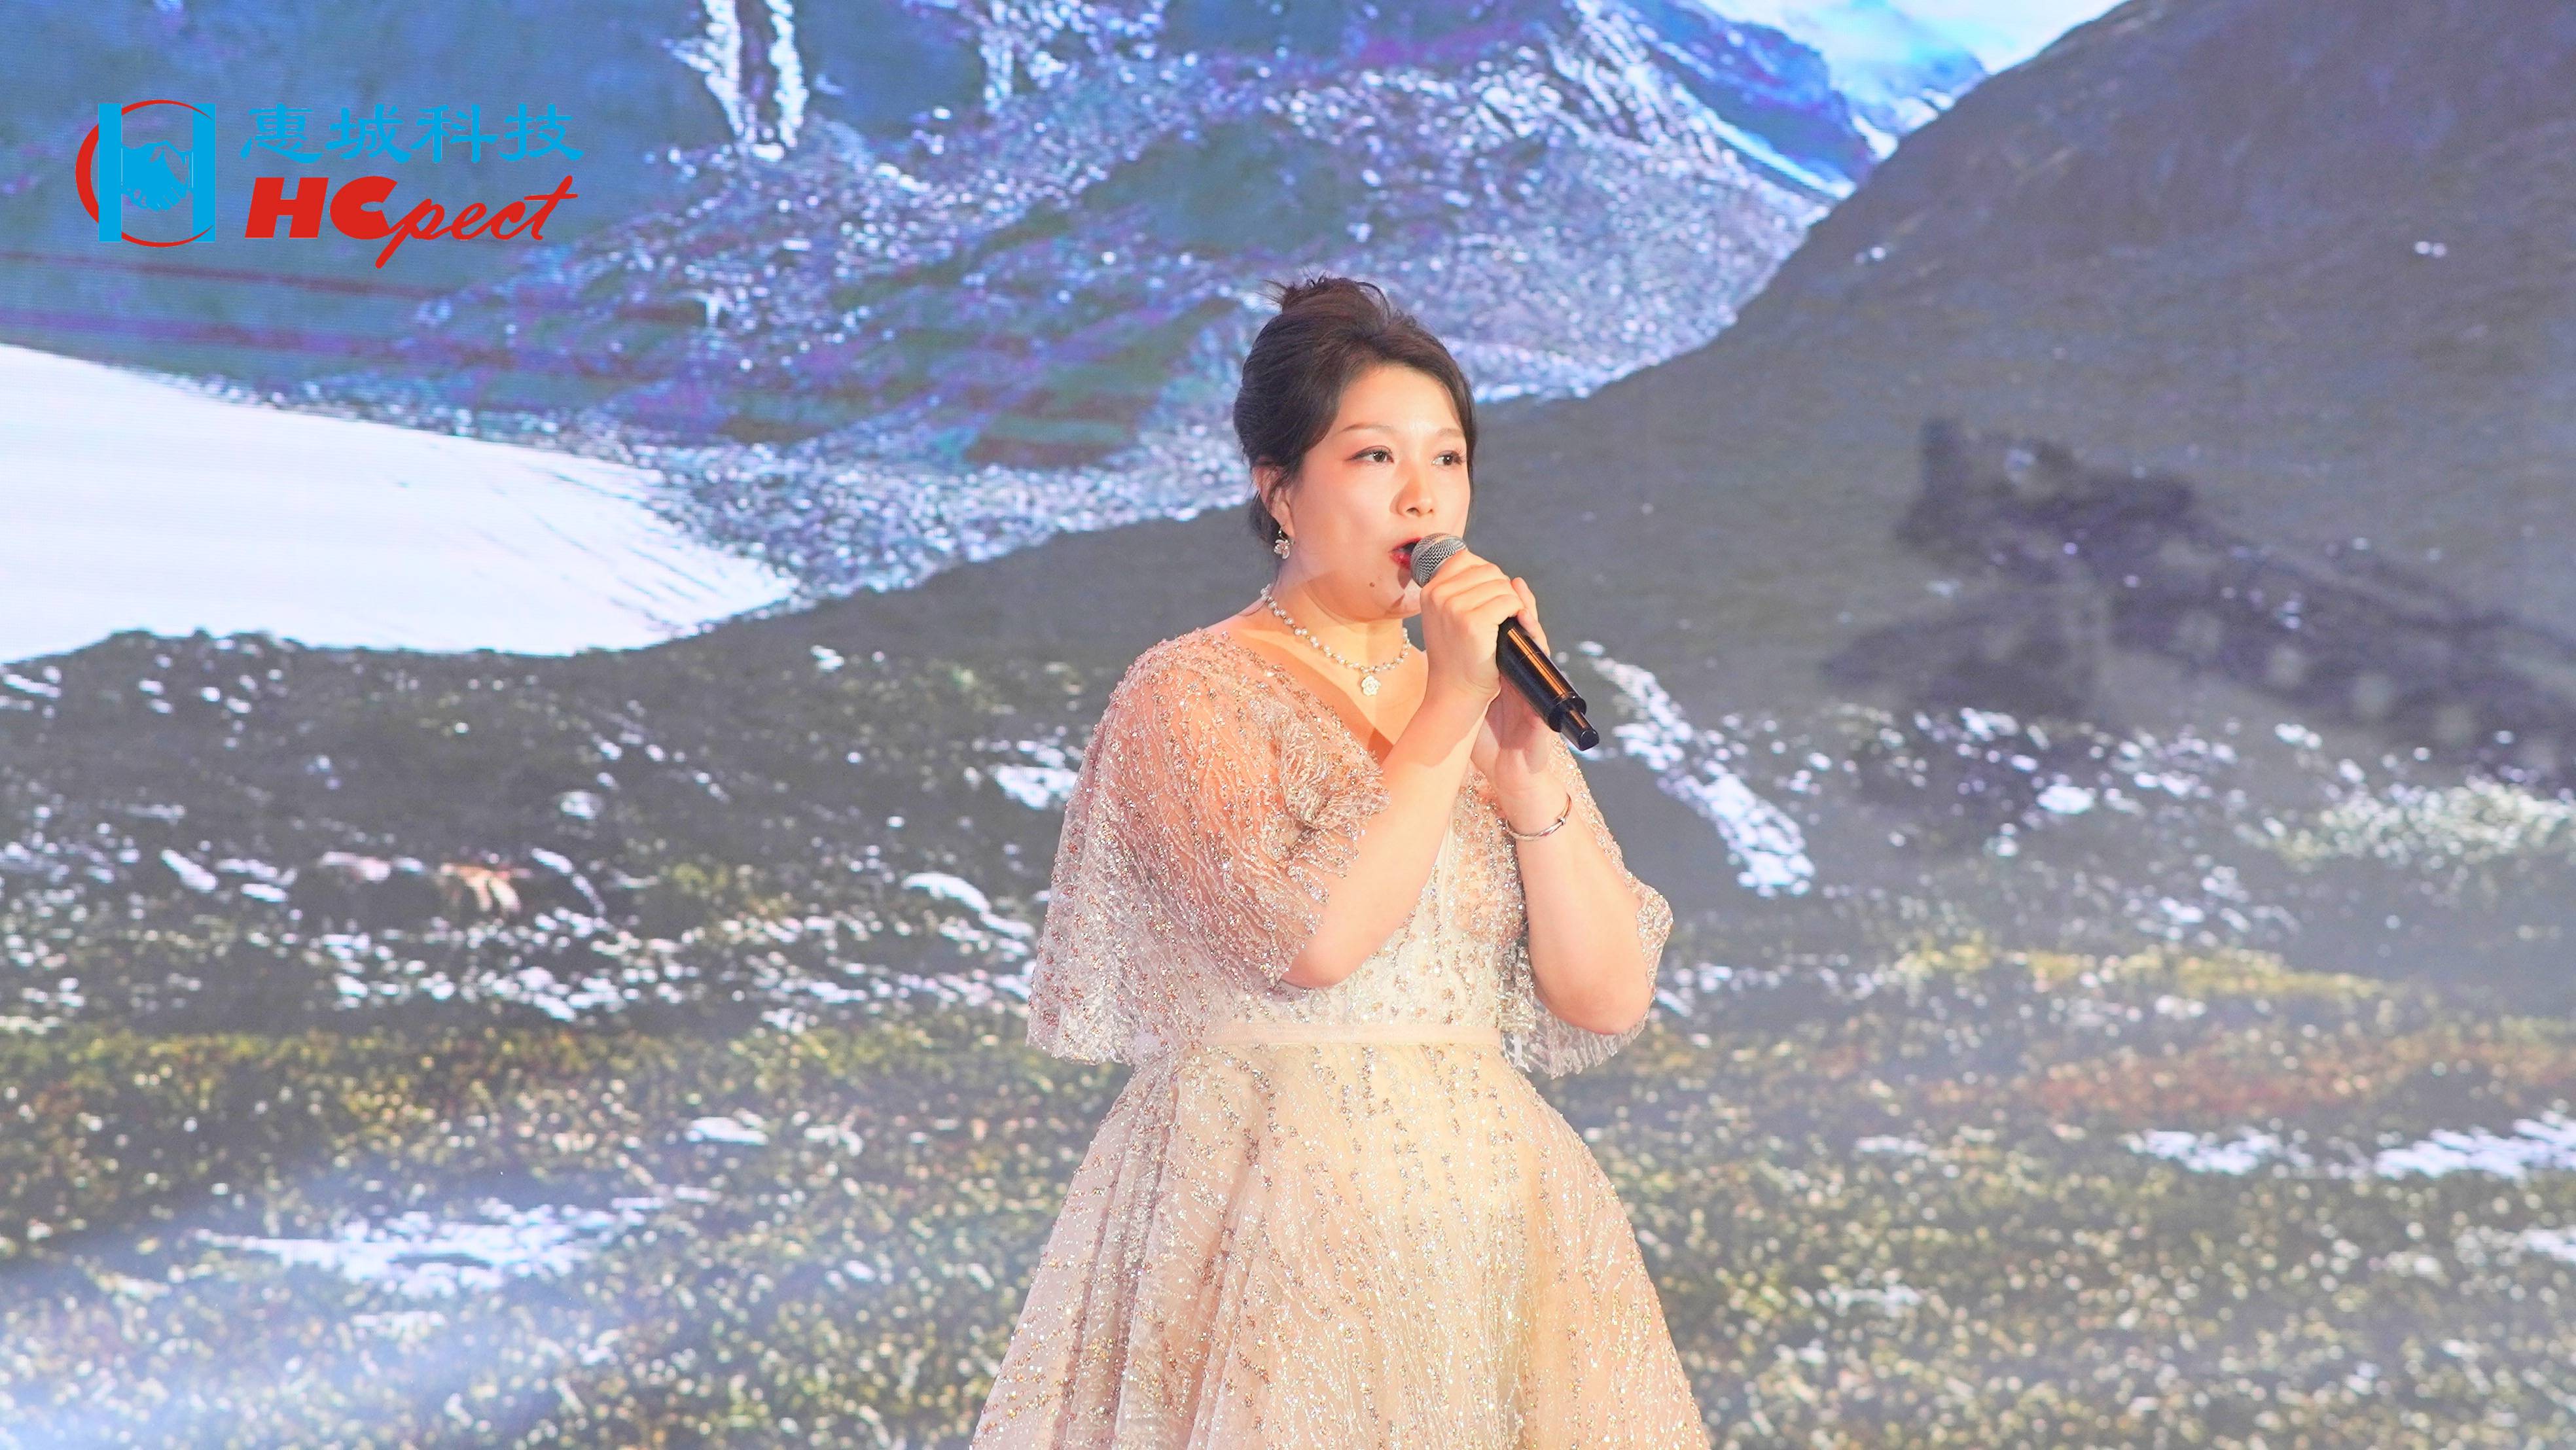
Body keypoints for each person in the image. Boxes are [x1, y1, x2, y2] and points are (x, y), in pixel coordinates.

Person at [971, 275, 1709, 1447]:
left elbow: (1606, 995)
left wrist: (1529, 774)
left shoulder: (1483, 699)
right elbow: (1313, 944)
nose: (1424, 495)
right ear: (1280, 492)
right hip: (1263, 1212)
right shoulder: (1190, 692)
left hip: (1484, 1221)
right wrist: (1447, 711)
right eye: (1375, 458)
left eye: (1449, 459)